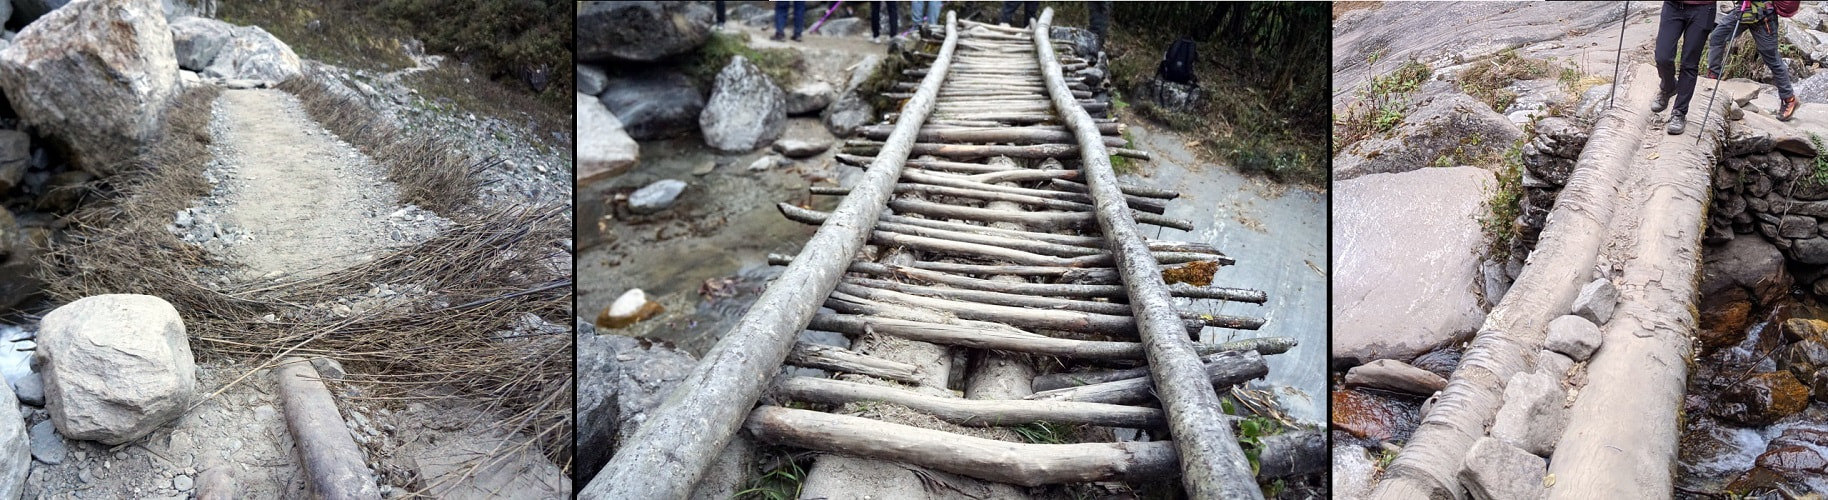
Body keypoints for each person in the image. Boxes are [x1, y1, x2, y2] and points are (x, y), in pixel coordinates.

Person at [1705, 0, 1802, 122]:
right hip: (1744, 10)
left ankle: (1789, 99)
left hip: (1764, 15)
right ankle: (1713, 76)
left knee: (1772, 59)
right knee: (1717, 36)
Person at [1652, 1, 1718, 135]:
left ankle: (1679, 112)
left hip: (1703, 8)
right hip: (1673, 6)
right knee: (1662, 57)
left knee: (1689, 63)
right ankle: (1668, 87)